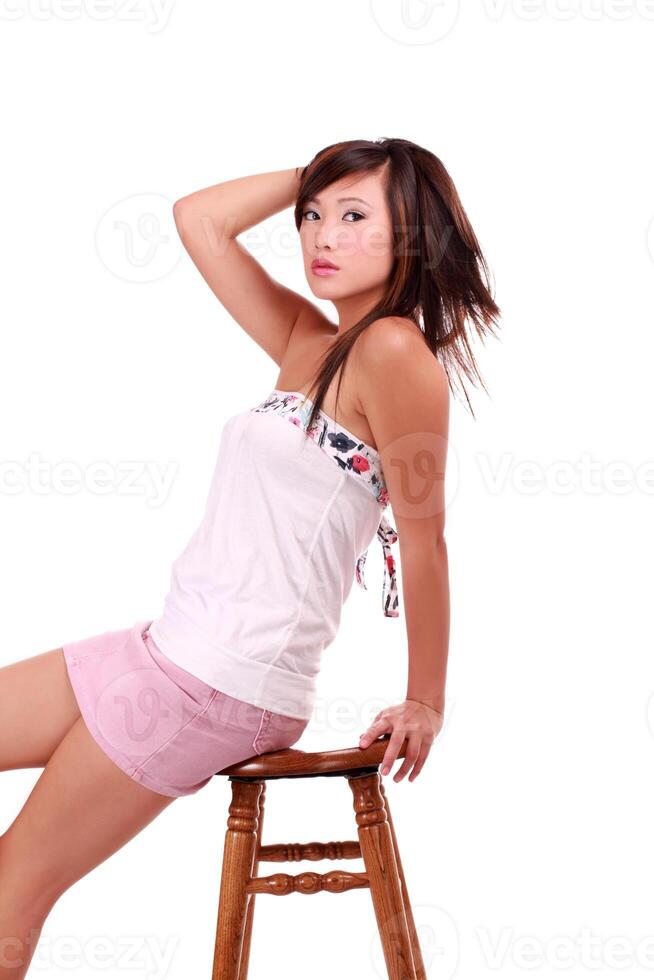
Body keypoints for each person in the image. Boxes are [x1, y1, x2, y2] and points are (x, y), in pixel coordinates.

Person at [0, 137, 500, 977]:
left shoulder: (392, 354)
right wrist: (318, 170)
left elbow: (426, 541)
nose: (320, 236)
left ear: (412, 232)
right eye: (311, 216)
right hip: (168, 648)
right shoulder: (312, 338)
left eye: (352, 215)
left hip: (222, 677)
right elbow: (199, 221)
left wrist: (426, 699)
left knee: (12, 885)